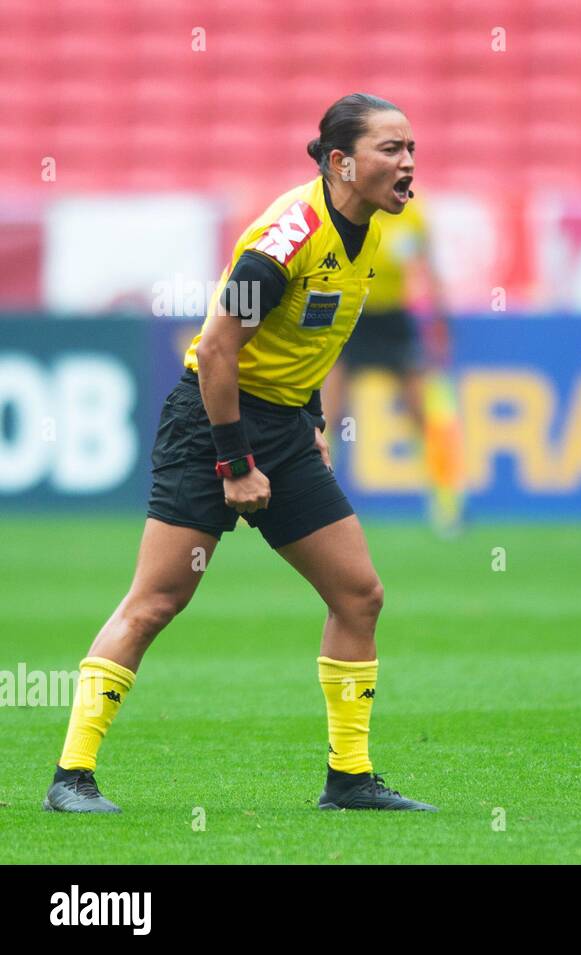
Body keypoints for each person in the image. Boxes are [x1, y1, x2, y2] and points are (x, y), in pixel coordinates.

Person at [43, 92, 436, 813]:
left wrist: (308, 415)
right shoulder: (284, 243)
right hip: (212, 423)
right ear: (342, 162)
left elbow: (309, 337)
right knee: (159, 598)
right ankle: (72, 775)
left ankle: (349, 779)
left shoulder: (369, 228)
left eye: (411, 148)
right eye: (392, 149)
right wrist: (234, 462)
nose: (408, 162)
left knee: (359, 594)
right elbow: (220, 350)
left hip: (282, 427)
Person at [321, 195, 465, 535]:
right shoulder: (349, 211)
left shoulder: (411, 217)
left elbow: (428, 268)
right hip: (351, 318)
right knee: (329, 413)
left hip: (393, 322)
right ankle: (315, 504)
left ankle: (447, 504)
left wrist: (440, 318)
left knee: (421, 414)